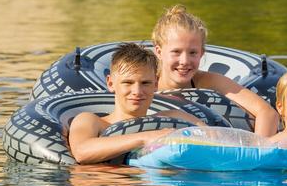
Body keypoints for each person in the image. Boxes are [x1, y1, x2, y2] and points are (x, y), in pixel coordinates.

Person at [152, 5, 279, 137]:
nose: (184, 61)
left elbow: (267, 112)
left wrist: (257, 151)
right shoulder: (145, 85)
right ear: (159, 52)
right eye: (176, 52)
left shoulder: (209, 82)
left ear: (201, 53)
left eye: (193, 53)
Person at [68, 43, 200, 164]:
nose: (137, 91)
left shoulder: (172, 117)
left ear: (156, 84)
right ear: (110, 83)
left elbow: (213, 136)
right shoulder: (91, 121)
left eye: (145, 83)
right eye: (128, 83)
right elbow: (81, 152)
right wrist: (145, 138)